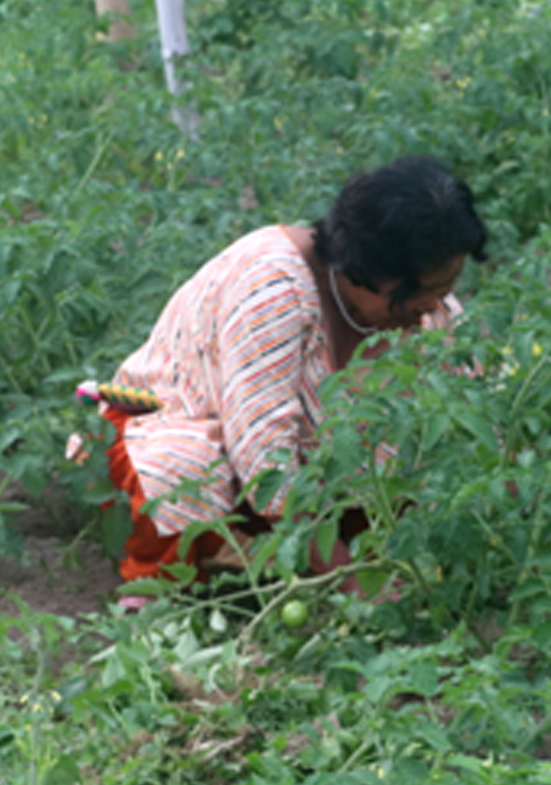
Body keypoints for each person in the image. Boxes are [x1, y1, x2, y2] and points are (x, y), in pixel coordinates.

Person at [82, 155, 488, 602]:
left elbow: (477, 411)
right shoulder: (273, 287)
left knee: (410, 467)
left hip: (290, 479)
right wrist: (350, 581)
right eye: (421, 293)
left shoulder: (422, 313)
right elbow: (264, 461)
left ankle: (271, 556)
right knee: (183, 465)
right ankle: (154, 595)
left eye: (446, 289)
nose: (433, 307)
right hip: (170, 426)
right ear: (364, 270)